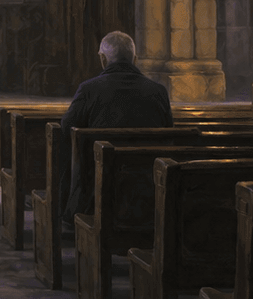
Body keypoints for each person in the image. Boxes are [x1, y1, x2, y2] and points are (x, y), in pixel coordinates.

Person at [59, 31, 173, 223]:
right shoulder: (158, 91)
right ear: (135, 59)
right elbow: (169, 135)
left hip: (100, 189)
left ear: (103, 59)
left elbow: (66, 129)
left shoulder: (89, 89)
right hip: (146, 190)